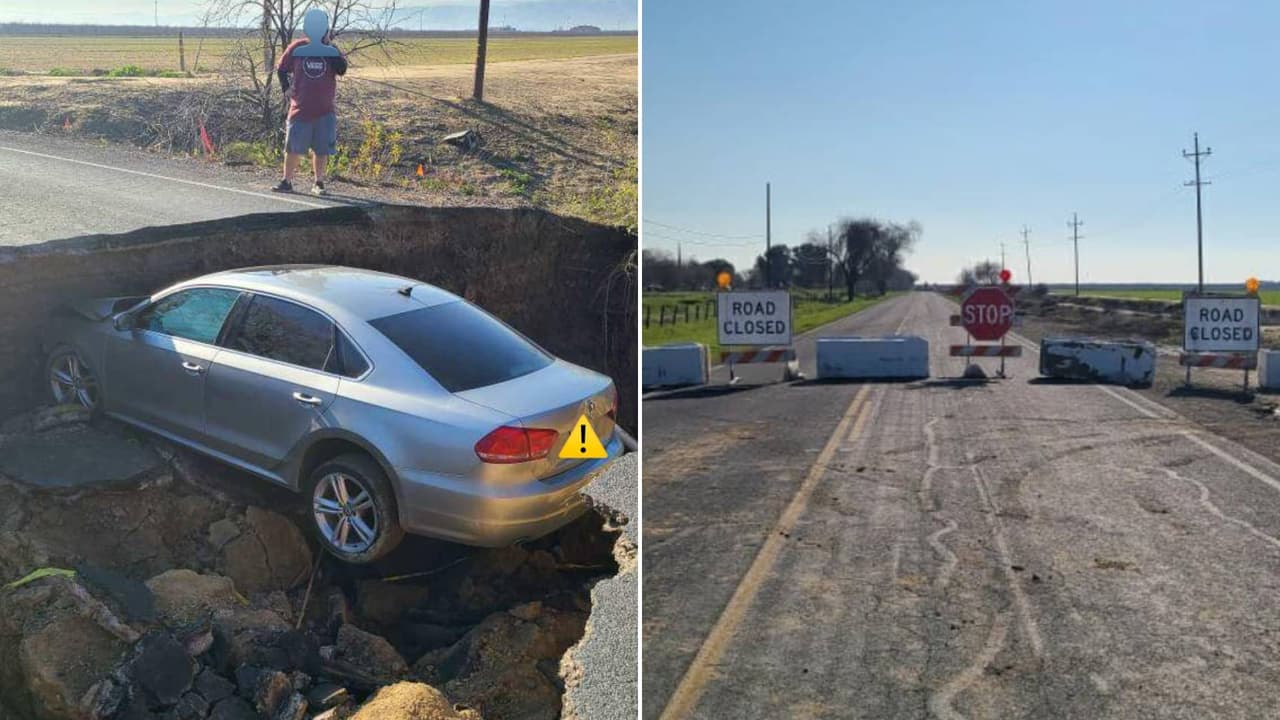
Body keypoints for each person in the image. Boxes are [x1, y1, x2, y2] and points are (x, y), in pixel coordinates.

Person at [272, 32, 347, 195]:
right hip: (300, 108)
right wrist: (286, 88)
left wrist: (328, 46)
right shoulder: (298, 47)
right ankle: (287, 181)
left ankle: (318, 183)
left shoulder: (331, 50)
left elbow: (342, 69)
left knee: (321, 150)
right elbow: (281, 68)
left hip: (324, 110)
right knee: (292, 148)